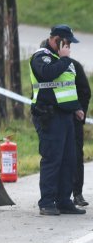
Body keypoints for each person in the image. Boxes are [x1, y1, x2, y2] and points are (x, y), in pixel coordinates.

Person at [29, 24, 86, 215]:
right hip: (49, 115)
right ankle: (46, 202)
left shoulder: (64, 60)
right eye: (67, 42)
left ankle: (63, 200)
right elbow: (47, 73)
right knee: (52, 160)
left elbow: (68, 86)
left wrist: (76, 107)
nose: (69, 46)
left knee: (69, 160)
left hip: (66, 115)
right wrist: (63, 59)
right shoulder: (41, 57)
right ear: (56, 40)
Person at [70, 57, 91, 206]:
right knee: (54, 157)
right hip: (53, 120)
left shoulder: (74, 65)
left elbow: (85, 91)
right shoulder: (46, 68)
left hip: (73, 119)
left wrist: (80, 112)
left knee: (76, 155)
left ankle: (77, 193)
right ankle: (56, 195)